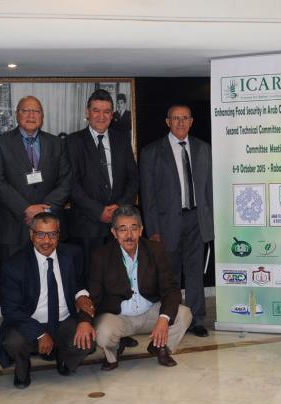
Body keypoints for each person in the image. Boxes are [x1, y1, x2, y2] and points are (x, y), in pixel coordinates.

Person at [0, 212, 95, 388]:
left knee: (87, 339)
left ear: (59, 234)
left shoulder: (72, 254)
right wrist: (40, 333)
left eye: (52, 234)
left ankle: (64, 361)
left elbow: (79, 283)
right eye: (40, 234)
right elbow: (11, 311)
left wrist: (81, 297)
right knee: (13, 342)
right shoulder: (14, 265)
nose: (46, 240)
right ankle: (23, 367)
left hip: (63, 320)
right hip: (29, 322)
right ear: (31, 234)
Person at [139, 105, 213, 337]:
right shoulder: (152, 152)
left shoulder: (203, 149)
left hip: (197, 220)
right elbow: (147, 195)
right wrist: (152, 230)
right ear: (167, 121)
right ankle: (170, 317)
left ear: (191, 121)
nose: (180, 122)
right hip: (166, 223)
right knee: (170, 275)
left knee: (195, 273)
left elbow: (209, 189)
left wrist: (211, 222)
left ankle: (196, 319)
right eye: (175, 118)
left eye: (185, 118)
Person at [89, 205, 192, 370]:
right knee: (103, 333)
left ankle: (161, 346)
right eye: (123, 230)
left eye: (133, 228)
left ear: (141, 230)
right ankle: (112, 353)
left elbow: (171, 289)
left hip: (149, 312)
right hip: (119, 315)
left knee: (184, 314)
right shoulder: (101, 256)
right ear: (114, 233)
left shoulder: (155, 250)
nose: (129, 235)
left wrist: (164, 319)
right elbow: (93, 295)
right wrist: (85, 321)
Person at [0, 95, 72, 259]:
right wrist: (26, 209)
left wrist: (44, 210)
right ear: (17, 114)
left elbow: (66, 181)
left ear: (42, 116)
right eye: (25, 110)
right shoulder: (0, 143)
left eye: (36, 111)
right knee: (14, 277)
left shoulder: (56, 143)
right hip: (14, 226)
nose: (31, 115)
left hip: (49, 225)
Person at [66, 89, 138, 271]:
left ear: (112, 115)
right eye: (96, 110)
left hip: (119, 224)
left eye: (106, 111)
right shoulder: (73, 142)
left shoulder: (121, 140)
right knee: (91, 278)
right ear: (87, 112)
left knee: (120, 275)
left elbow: (133, 178)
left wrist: (118, 210)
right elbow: (71, 184)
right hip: (86, 225)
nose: (101, 116)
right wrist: (99, 211)